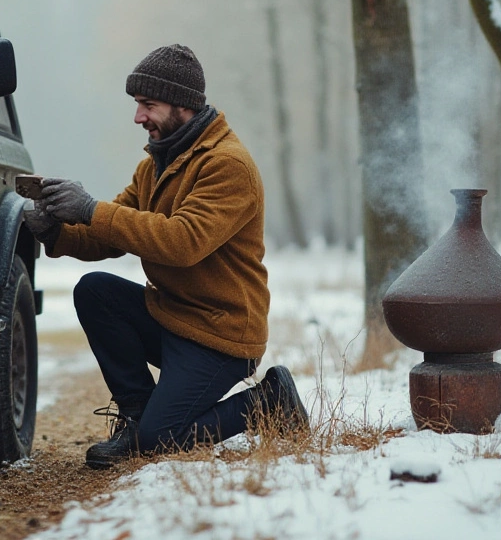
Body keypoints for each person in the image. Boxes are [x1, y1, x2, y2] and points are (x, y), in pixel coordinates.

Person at [24, 43, 308, 470]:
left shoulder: (228, 166)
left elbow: (182, 242)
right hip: (173, 316)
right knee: (96, 291)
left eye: (147, 105)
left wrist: (91, 209)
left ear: (183, 106)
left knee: (161, 441)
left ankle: (270, 401)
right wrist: (56, 230)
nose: (138, 117)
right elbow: (109, 237)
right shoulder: (156, 164)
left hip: (221, 335)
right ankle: (137, 414)